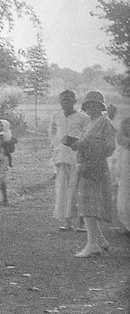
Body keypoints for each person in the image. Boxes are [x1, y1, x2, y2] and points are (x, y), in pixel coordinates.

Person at [66, 91, 116, 257]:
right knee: (84, 201)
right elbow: (84, 142)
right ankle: (100, 241)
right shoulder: (89, 122)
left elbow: (110, 146)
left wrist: (87, 144)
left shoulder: (104, 122)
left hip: (95, 166)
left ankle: (92, 244)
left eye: (95, 104)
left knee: (89, 203)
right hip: (85, 164)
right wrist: (76, 143)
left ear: (101, 106)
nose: (91, 107)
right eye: (89, 104)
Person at [49, 90, 90, 231]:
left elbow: (87, 136)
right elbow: (52, 134)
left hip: (77, 157)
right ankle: (68, 222)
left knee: (77, 189)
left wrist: (77, 143)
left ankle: (82, 223)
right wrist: (55, 148)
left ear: (74, 101)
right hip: (61, 157)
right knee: (62, 190)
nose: (65, 103)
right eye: (62, 100)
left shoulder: (83, 117)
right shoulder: (56, 116)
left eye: (68, 100)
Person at [0, 119, 18, 206]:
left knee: (1, 178)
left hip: (3, 159)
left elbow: (11, 144)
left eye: (1, 126)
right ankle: (3, 198)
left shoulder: (7, 135)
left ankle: (5, 199)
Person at [113, 116, 130, 233]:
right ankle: (127, 224)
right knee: (125, 189)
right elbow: (119, 138)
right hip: (127, 156)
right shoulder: (126, 120)